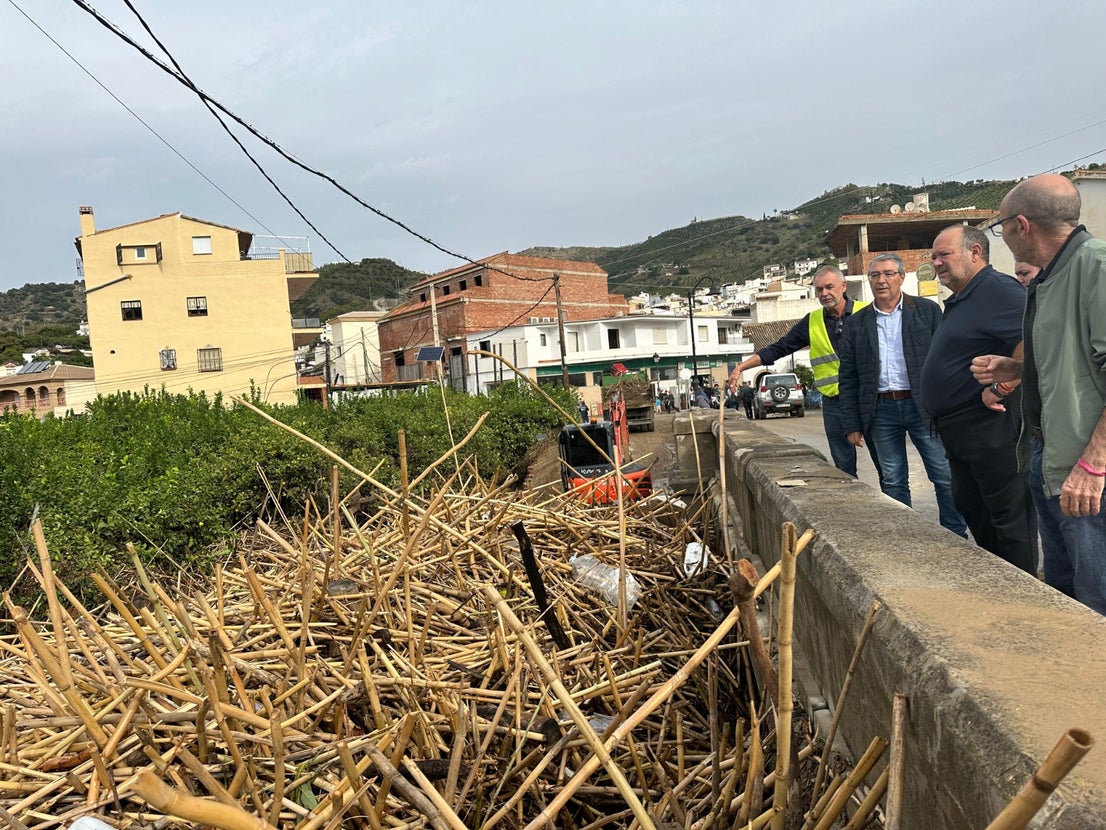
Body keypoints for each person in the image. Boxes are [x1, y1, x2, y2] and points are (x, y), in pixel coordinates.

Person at [971, 173, 1106, 614]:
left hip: (1086, 476)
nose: (1004, 236)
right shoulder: (1052, 275)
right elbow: (1074, 362)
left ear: (1021, 226)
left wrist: (1093, 464)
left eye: (1002, 226)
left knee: (1096, 601)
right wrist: (1016, 367)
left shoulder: (1096, 267)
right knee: (1067, 596)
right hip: (1050, 465)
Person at [919, 225, 1036, 573]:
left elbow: (1034, 335)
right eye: (934, 256)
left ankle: (1026, 598)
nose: (937, 262)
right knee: (975, 510)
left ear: (975, 252)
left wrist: (1004, 385)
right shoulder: (964, 297)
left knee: (1008, 519)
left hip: (991, 424)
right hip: (960, 431)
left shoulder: (998, 289)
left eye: (945, 254)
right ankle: (1002, 585)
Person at [838, 254, 967, 535]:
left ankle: (954, 534)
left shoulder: (927, 311)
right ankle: (906, 536)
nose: (881, 280)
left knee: (944, 476)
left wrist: (951, 408)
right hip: (881, 411)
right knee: (893, 480)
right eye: (875, 275)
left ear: (901, 277)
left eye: (887, 274)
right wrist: (852, 424)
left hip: (925, 406)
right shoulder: (856, 324)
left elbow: (947, 361)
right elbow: (847, 377)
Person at [727, 265, 875, 475]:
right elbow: (780, 347)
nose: (824, 294)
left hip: (868, 396)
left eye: (829, 287)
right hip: (834, 400)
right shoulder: (812, 321)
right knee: (844, 466)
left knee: (886, 463)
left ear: (843, 286)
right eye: (819, 290)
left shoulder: (867, 312)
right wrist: (742, 367)